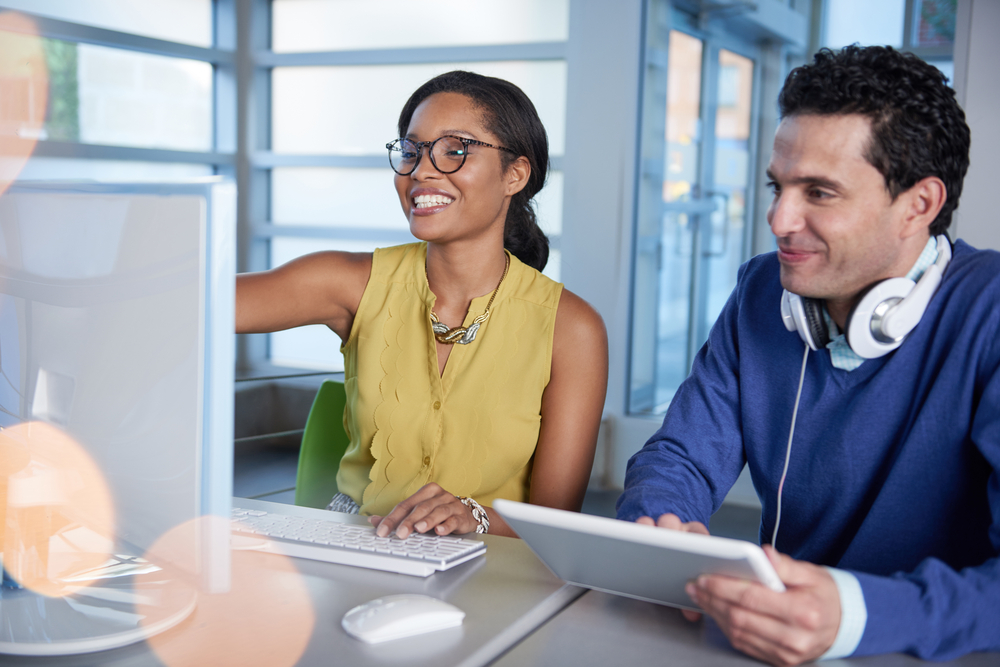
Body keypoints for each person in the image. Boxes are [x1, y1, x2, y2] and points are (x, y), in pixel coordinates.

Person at [616, 45, 1000, 665]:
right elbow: (680, 454)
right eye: (778, 185)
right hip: (773, 640)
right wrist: (661, 522)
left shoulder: (990, 310)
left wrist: (853, 615)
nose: (778, 217)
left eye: (819, 192)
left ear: (918, 205)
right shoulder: (762, 292)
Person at [238, 71, 608, 540]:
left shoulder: (572, 328)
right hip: (355, 546)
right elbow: (194, 302)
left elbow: (557, 522)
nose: (421, 171)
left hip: (492, 567)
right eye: (411, 151)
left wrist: (473, 518)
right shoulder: (349, 282)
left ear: (514, 174)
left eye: (456, 149)